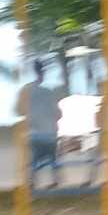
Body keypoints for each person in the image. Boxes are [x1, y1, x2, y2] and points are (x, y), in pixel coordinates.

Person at [18, 58, 63, 188]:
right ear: (43, 74)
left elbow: (20, 111)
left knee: (33, 159)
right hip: (50, 134)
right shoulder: (49, 92)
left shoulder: (25, 91)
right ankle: (55, 181)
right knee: (53, 157)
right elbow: (59, 114)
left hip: (34, 134)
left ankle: (32, 182)